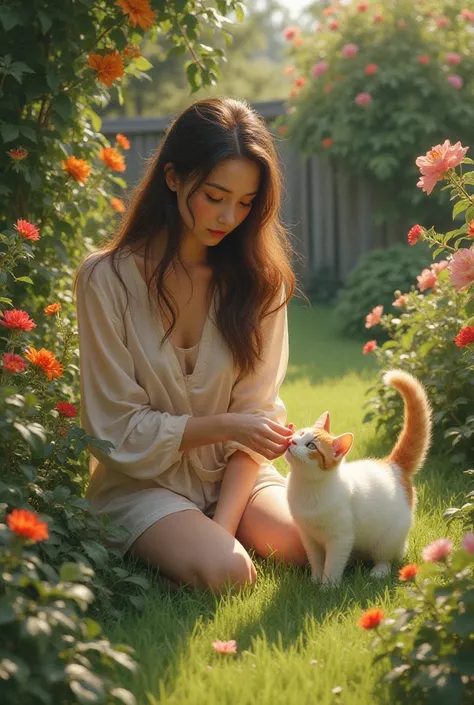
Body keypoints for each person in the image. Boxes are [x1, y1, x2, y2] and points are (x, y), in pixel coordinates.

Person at [74, 96, 307, 594]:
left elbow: (258, 420)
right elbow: (115, 428)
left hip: (234, 473)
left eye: (246, 202)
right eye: (215, 195)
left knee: (306, 543)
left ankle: (214, 537)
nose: (229, 216)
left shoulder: (262, 282)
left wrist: (223, 527)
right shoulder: (105, 279)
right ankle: (192, 544)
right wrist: (223, 425)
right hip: (140, 483)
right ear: (174, 177)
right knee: (230, 572)